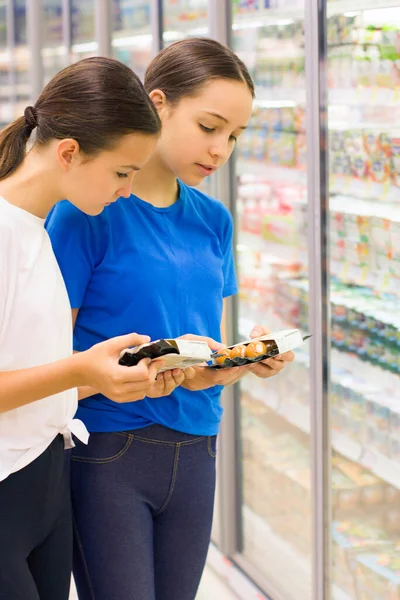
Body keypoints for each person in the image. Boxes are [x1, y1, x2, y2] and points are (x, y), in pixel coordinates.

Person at [46, 39, 295, 600]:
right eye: (209, 126)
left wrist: (237, 359)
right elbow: (49, 357)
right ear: (157, 104)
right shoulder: (88, 210)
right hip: (108, 448)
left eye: (234, 135)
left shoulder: (214, 220)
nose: (221, 148)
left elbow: (203, 342)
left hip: (199, 444)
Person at [0, 56, 171, 600]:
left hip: (45, 477)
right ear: (70, 152)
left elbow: (29, 380)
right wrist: (79, 367)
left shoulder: (37, 231)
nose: (126, 191)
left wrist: (112, 377)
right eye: (122, 173)